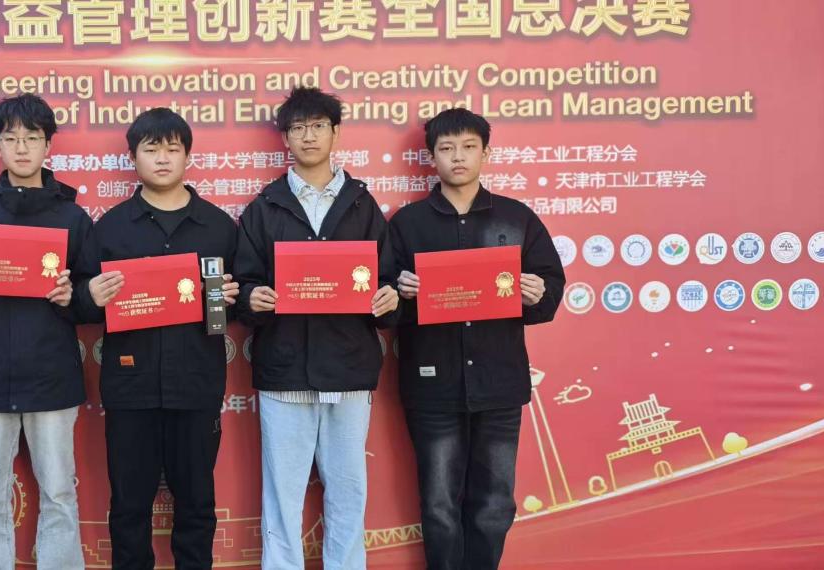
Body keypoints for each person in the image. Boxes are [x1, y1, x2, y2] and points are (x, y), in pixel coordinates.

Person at [388, 108, 565, 570]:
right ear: (431, 157)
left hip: (499, 382)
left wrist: (537, 292)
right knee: (439, 504)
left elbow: (550, 286)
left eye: (468, 147)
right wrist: (401, 293)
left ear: (486, 153)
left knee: (494, 504)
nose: (458, 157)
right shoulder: (407, 225)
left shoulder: (517, 219)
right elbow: (383, 304)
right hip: (432, 385)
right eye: (446, 149)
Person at [235, 87, 399, 569]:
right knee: (282, 495)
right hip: (284, 371)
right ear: (285, 138)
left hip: (349, 369)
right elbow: (244, 282)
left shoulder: (362, 205)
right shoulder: (265, 207)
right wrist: (252, 298)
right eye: (298, 128)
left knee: (348, 490)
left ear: (335, 133)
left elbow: (387, 278)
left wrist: (388, 297)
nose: (308, 136)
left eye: (318, 126)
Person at [73, 108, 240, 569]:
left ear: (188, 156)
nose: (162, 159)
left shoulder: (219, 227)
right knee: (129, 505)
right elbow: (78, 303)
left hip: (196, 385)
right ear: (133, 157)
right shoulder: (110, 228)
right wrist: (90, 295)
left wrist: (234, 296)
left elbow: (244, 299)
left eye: (172, 149)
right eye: (151, 149)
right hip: (131, 387)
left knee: (197, 503)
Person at [0, 93, 92, 570]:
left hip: (53, 373)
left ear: (48, 145)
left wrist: (73, 295)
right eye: (11, 139)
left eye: (32, 138)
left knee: (59, 492)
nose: (22, 148)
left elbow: (94, 296)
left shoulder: (72, 217)